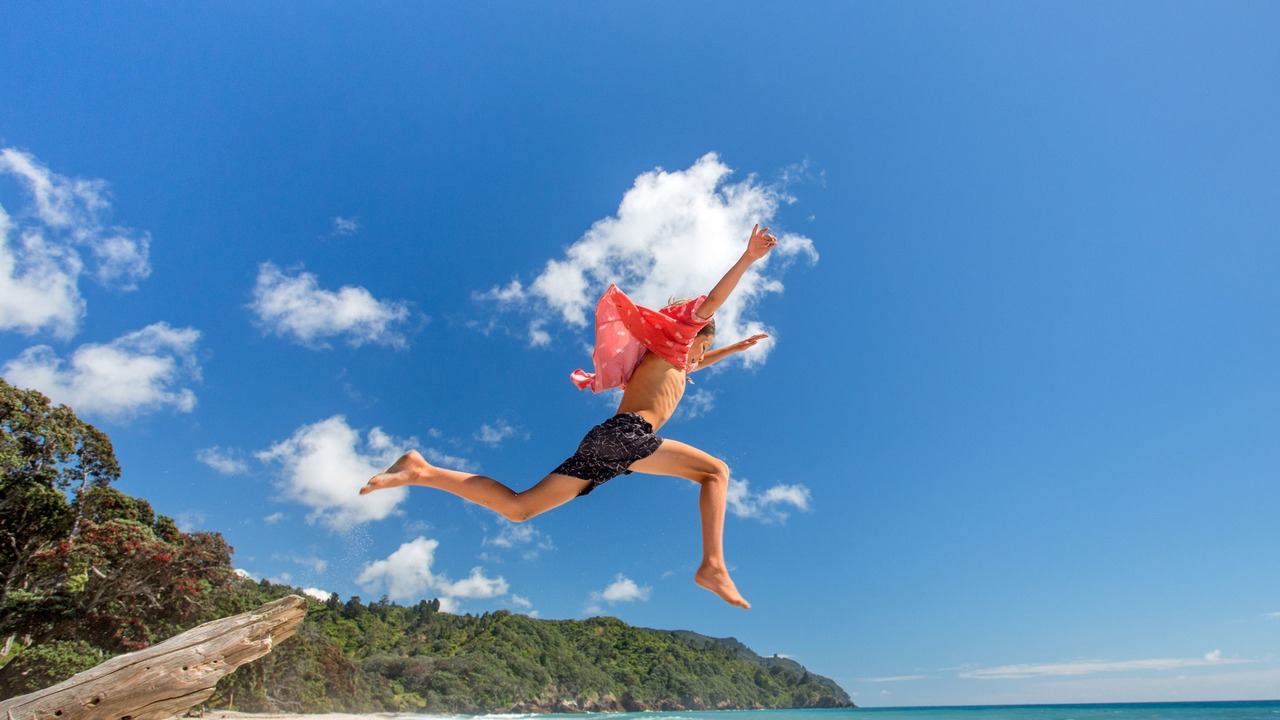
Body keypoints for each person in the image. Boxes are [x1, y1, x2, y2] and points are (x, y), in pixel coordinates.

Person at [361, 224, 780, 609]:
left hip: (604, 443)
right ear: (690, 334)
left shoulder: (664, 360)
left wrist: (732, 350)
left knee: (520, 508)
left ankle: (421, 471)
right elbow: (711, 303)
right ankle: (713, 565)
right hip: (626, 436)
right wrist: (746, 260)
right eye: (704, 346)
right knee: (716, 472)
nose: (700, 357)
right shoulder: (678, 340)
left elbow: (692, 366)